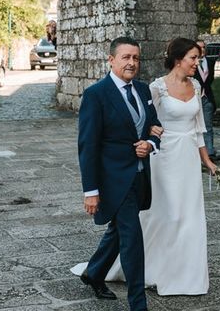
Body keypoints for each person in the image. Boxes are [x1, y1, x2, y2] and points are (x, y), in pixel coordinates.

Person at [101, 37, 218, 295]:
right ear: (178, 60)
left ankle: (187, 275)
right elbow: (140, 118)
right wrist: (146, 137)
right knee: (165, 214)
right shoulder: (157, 88)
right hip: (163, 158)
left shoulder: (197, 86)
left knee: (189, 215)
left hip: (187, 158)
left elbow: (199, 129)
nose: (197, 63)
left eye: (197, 59)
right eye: (193, 59)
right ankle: (152, 269)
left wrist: (207, 161)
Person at [75, 36, 161, 311]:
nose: (132, 63)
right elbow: (87, 147)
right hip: (113, 180)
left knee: (119, 230)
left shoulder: (144, 91)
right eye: (126, 57)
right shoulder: (96, 94)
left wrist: (150, 143)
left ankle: (94, 272)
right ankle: (138, 304)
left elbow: (155, 126)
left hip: (139, 177)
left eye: (136, 58)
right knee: (132, 237)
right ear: (111, 60)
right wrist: (91, 191)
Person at [195, 40, 220, 162]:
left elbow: (209, 80)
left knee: (208, 126)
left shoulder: (210, 62)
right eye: (199, 47)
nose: (202, 49)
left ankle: (210, 152)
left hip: (207, 98)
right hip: (194, 98)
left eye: (204, 47)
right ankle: (197, 153)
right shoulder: (191, 63)